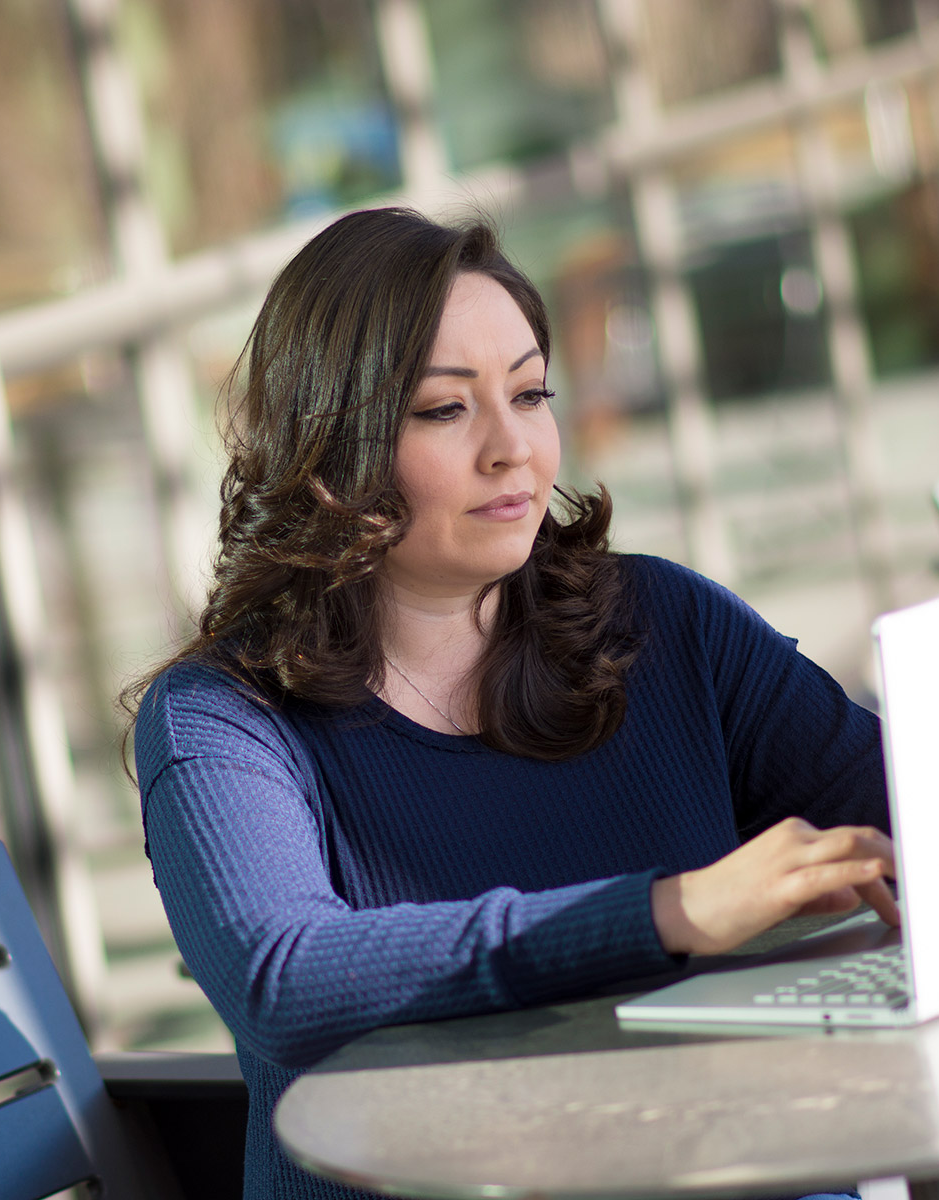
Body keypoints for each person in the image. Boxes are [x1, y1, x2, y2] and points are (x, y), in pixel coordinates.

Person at [129, 206, 897, 1200]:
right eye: (445, 410)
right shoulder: (222, 718)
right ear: (326, 460)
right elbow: (286, 978)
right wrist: (672, 911)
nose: (514, 449)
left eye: (530, 394)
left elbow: (898, 806)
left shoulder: (664, 622)